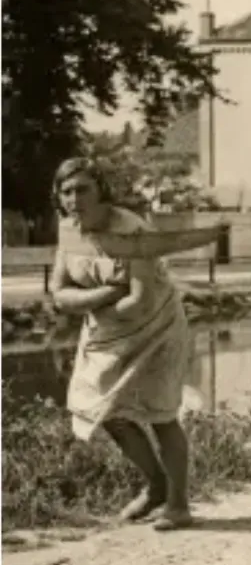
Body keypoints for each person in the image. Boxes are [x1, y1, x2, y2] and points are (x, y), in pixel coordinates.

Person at [49, 157, 197, 531]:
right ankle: (157, 485)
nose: (74, 198)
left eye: (83, 188)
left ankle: (178, 505)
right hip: (106, 331)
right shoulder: (69, 230)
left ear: (101, 190)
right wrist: (105, 292)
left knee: (161, 413)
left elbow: (139, 303)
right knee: (103, 410)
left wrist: (89, 300)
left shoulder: (131, 231)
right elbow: (58, 292)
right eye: (66, 191)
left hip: (158, 328)